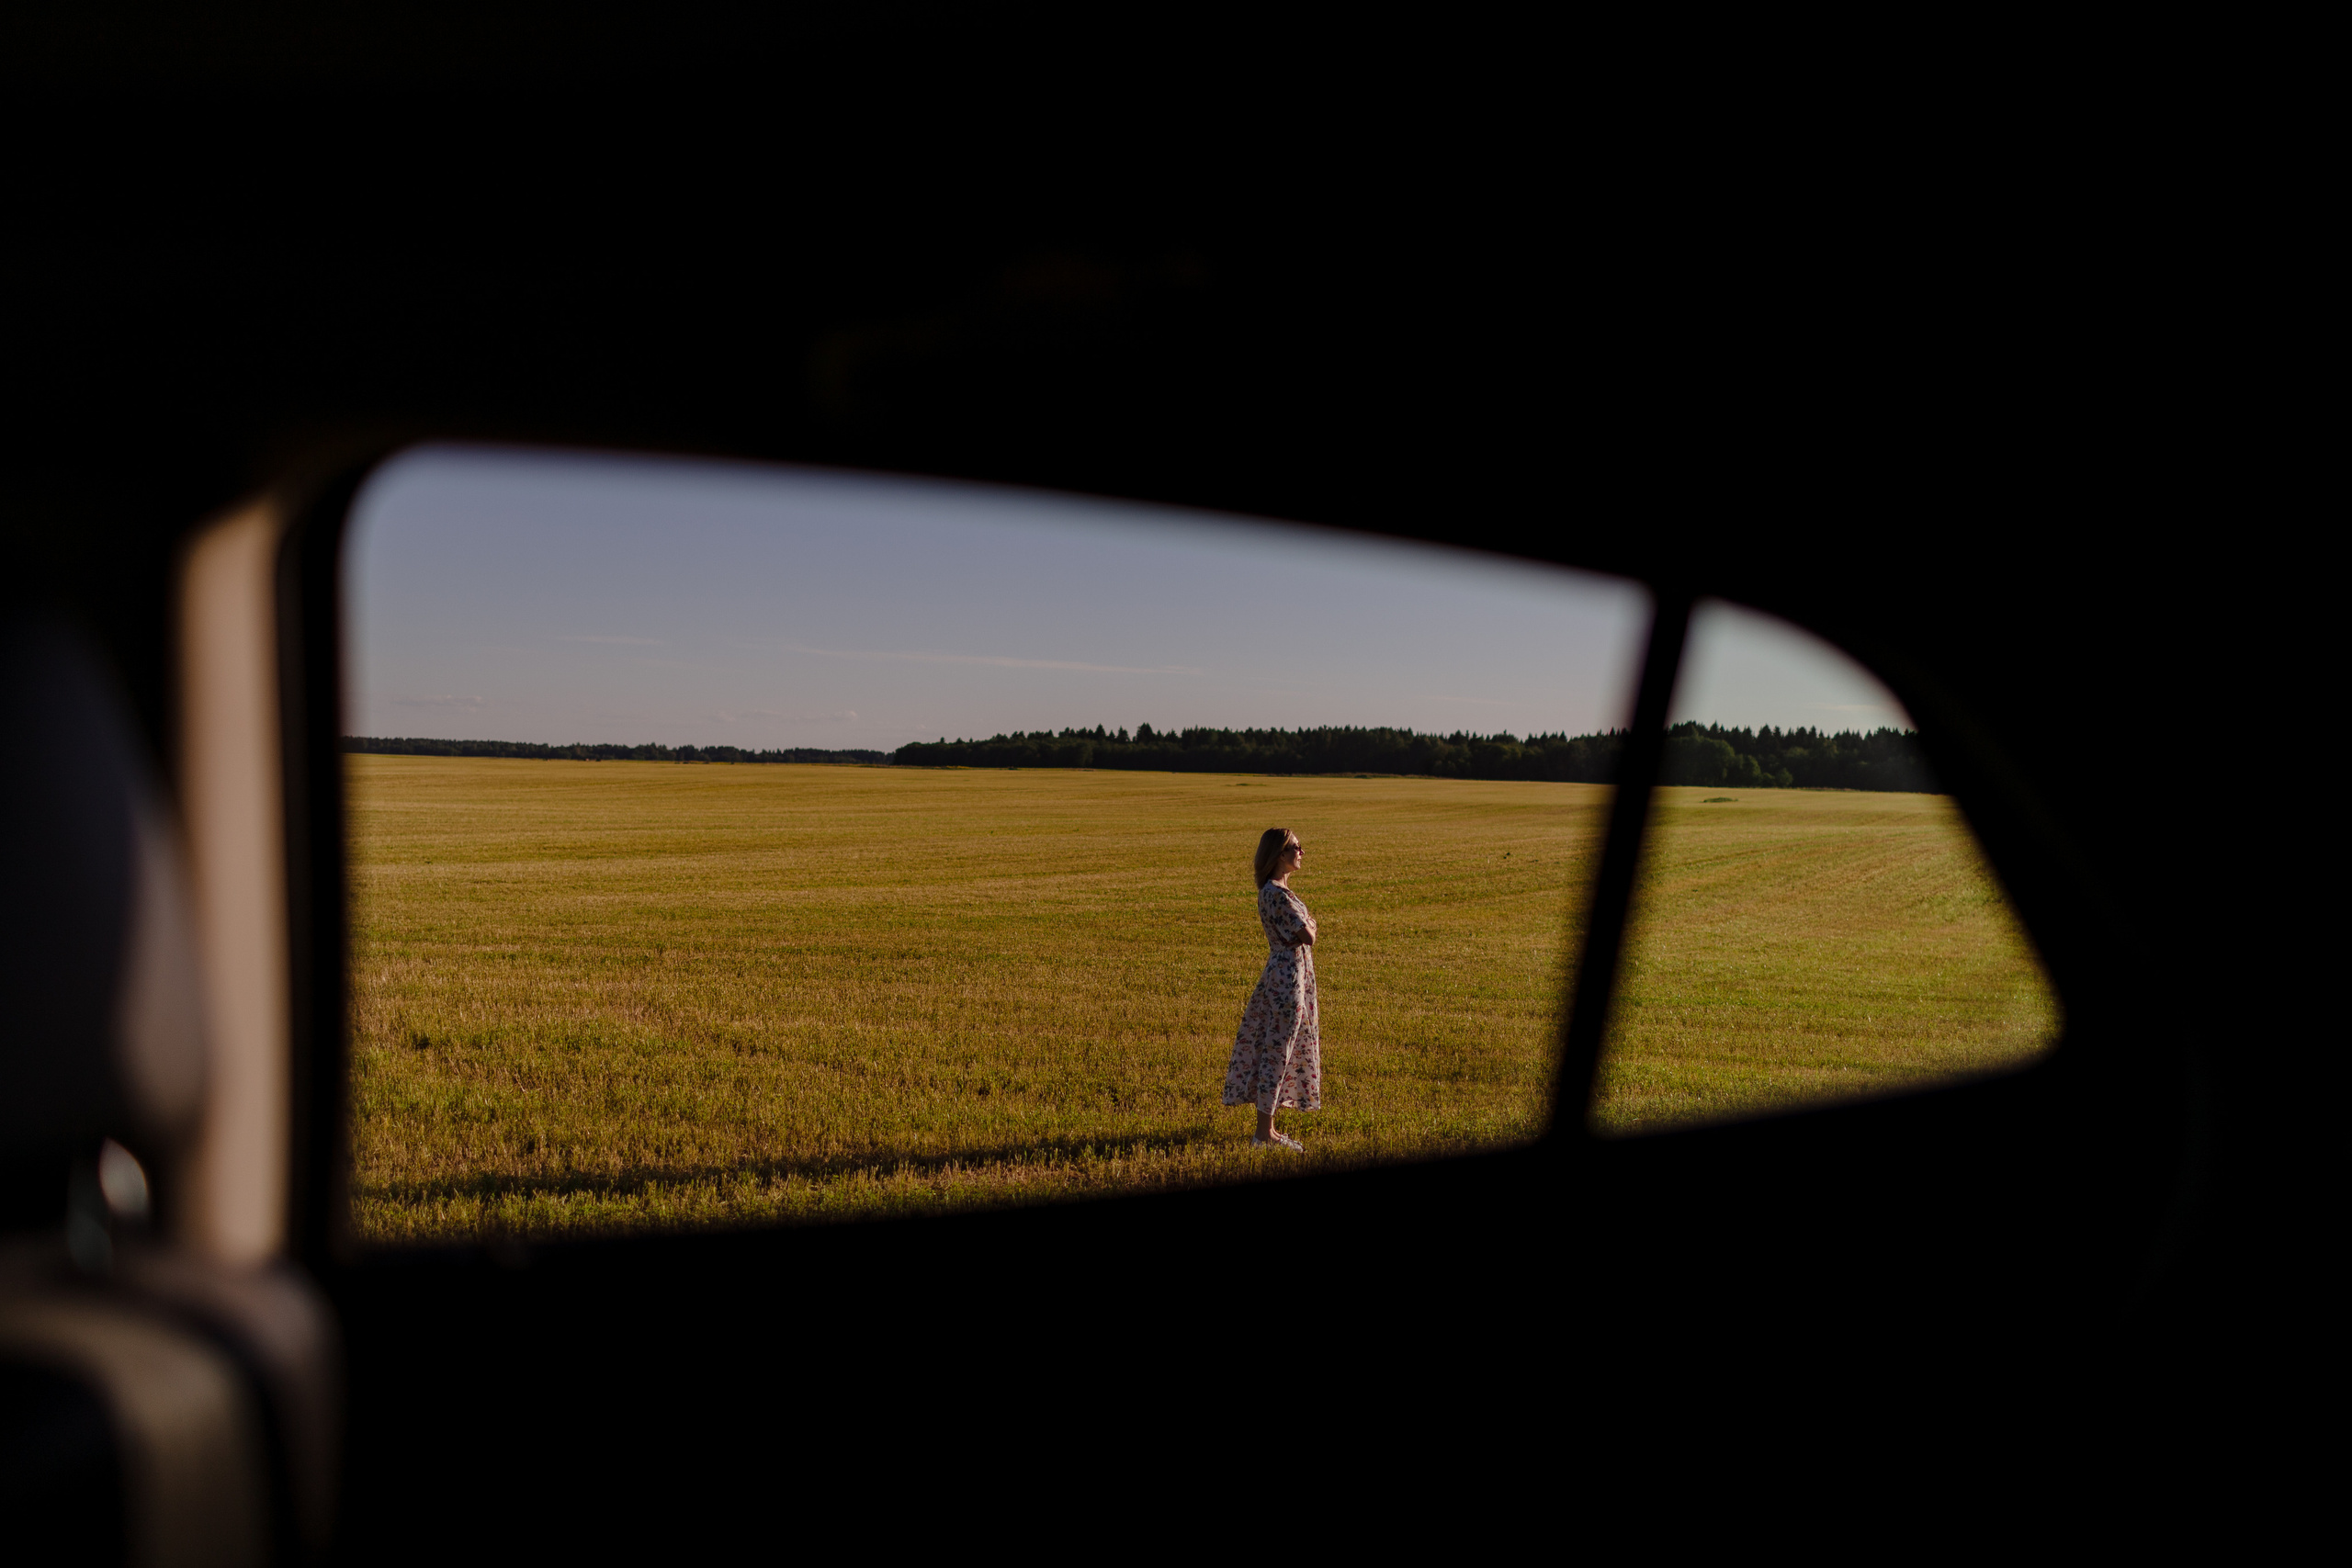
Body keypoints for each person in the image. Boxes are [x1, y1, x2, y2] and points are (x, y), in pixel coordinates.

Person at [1223, 827, 1321, 1150]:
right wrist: (1311, 923)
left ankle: (1270, 1131)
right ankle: (1263, 1135)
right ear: (1279, 854)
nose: (1301, 852)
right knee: (1277, 1053)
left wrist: (1307, 924)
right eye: (1296, 847)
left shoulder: (1275, 891)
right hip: (1287, 979)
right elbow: (1308, 935)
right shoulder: (1276, 894)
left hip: (1286, 974)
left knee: (1279, 1050)